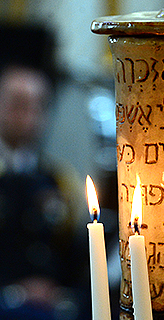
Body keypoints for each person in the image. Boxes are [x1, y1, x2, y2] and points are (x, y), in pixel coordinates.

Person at [0, 25, 88, 320]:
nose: (29, 117)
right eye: (18, 104)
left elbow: (74, 252)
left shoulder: (59, 179)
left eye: (39, 106)